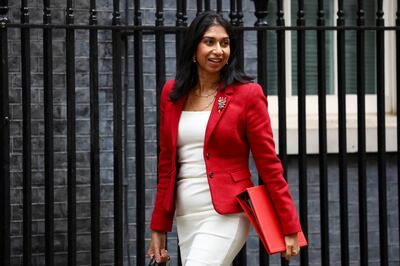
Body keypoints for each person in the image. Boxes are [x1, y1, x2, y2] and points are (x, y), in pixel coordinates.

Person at [147, 11, 302, 266]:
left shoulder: (247, 95)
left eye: (225, 43)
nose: (218, 50)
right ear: (194, 46)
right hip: (187, 215)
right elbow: (166, 166)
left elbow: (269, 164)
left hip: (226, 212)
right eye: (209, 41)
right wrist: (159, 226)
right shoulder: (172, 93)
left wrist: (289, 225)